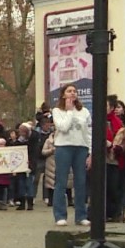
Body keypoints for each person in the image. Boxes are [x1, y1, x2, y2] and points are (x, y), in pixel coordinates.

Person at [51, 83, 92, 226]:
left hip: (81, 147)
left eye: (74, 91)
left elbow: (88, 133)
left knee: (80, 182)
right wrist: (69, 111)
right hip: (64, 147)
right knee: (61, 182)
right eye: (69, 91)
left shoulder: (84, 111)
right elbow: (63, 127)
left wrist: (90, 152)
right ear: (63, 94)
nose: (73, 93)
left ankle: (81, 215)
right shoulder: (57, 110)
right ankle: (60, 215)